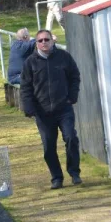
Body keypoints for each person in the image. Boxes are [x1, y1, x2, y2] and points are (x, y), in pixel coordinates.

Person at [20, 29, 82, 190]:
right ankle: (56, 177)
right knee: (48, 146)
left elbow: (75, 76)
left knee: (71, 138)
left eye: (46, 39)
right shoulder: (30, 62)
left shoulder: (64, 57)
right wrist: (28, 107)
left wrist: (72, 96)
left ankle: (74, 172)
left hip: (64, 108)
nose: (43, 43)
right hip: (43, 112)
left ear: (52, 41)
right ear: (36, 43)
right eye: (39, 41)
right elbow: (25, 87)